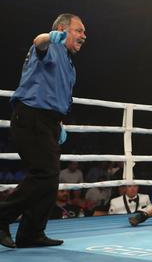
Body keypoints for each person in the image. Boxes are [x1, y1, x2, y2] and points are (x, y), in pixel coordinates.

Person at [0, 13, 86, 249]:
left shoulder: (69, 63)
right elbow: (38, 42)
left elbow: (57, 96)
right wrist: (49, 36)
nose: (83, 36)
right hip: (30, 116)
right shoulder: (51, 46)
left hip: (48, 123)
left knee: (49, 180)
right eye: (79, 30)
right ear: (62, 29)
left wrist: (58, 123)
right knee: (45, 173)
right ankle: (3, 215)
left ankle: (31, 233)